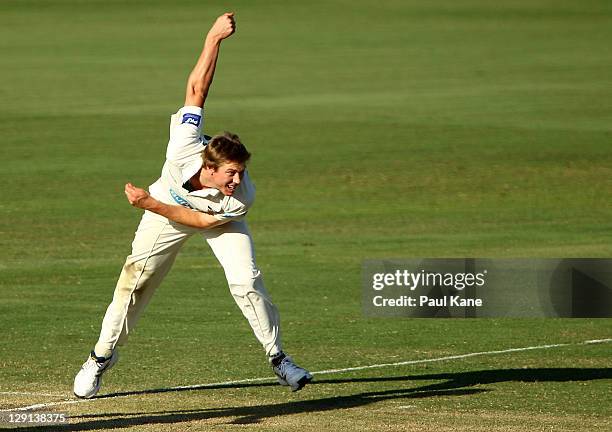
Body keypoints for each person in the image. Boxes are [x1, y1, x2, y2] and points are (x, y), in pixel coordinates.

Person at [73, 12, 312, 399]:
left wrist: (149, 202)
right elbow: (197, 87)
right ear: (210, 166)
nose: (238, 180)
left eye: (241, 172)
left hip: (209, 218)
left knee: (246, 281)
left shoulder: (241, 196)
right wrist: (213, 38)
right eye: (231, 173)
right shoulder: (185, 144)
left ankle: (279, 359)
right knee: (133, 283)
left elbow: (200, 222)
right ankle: (100, 358)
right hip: (165, 204)